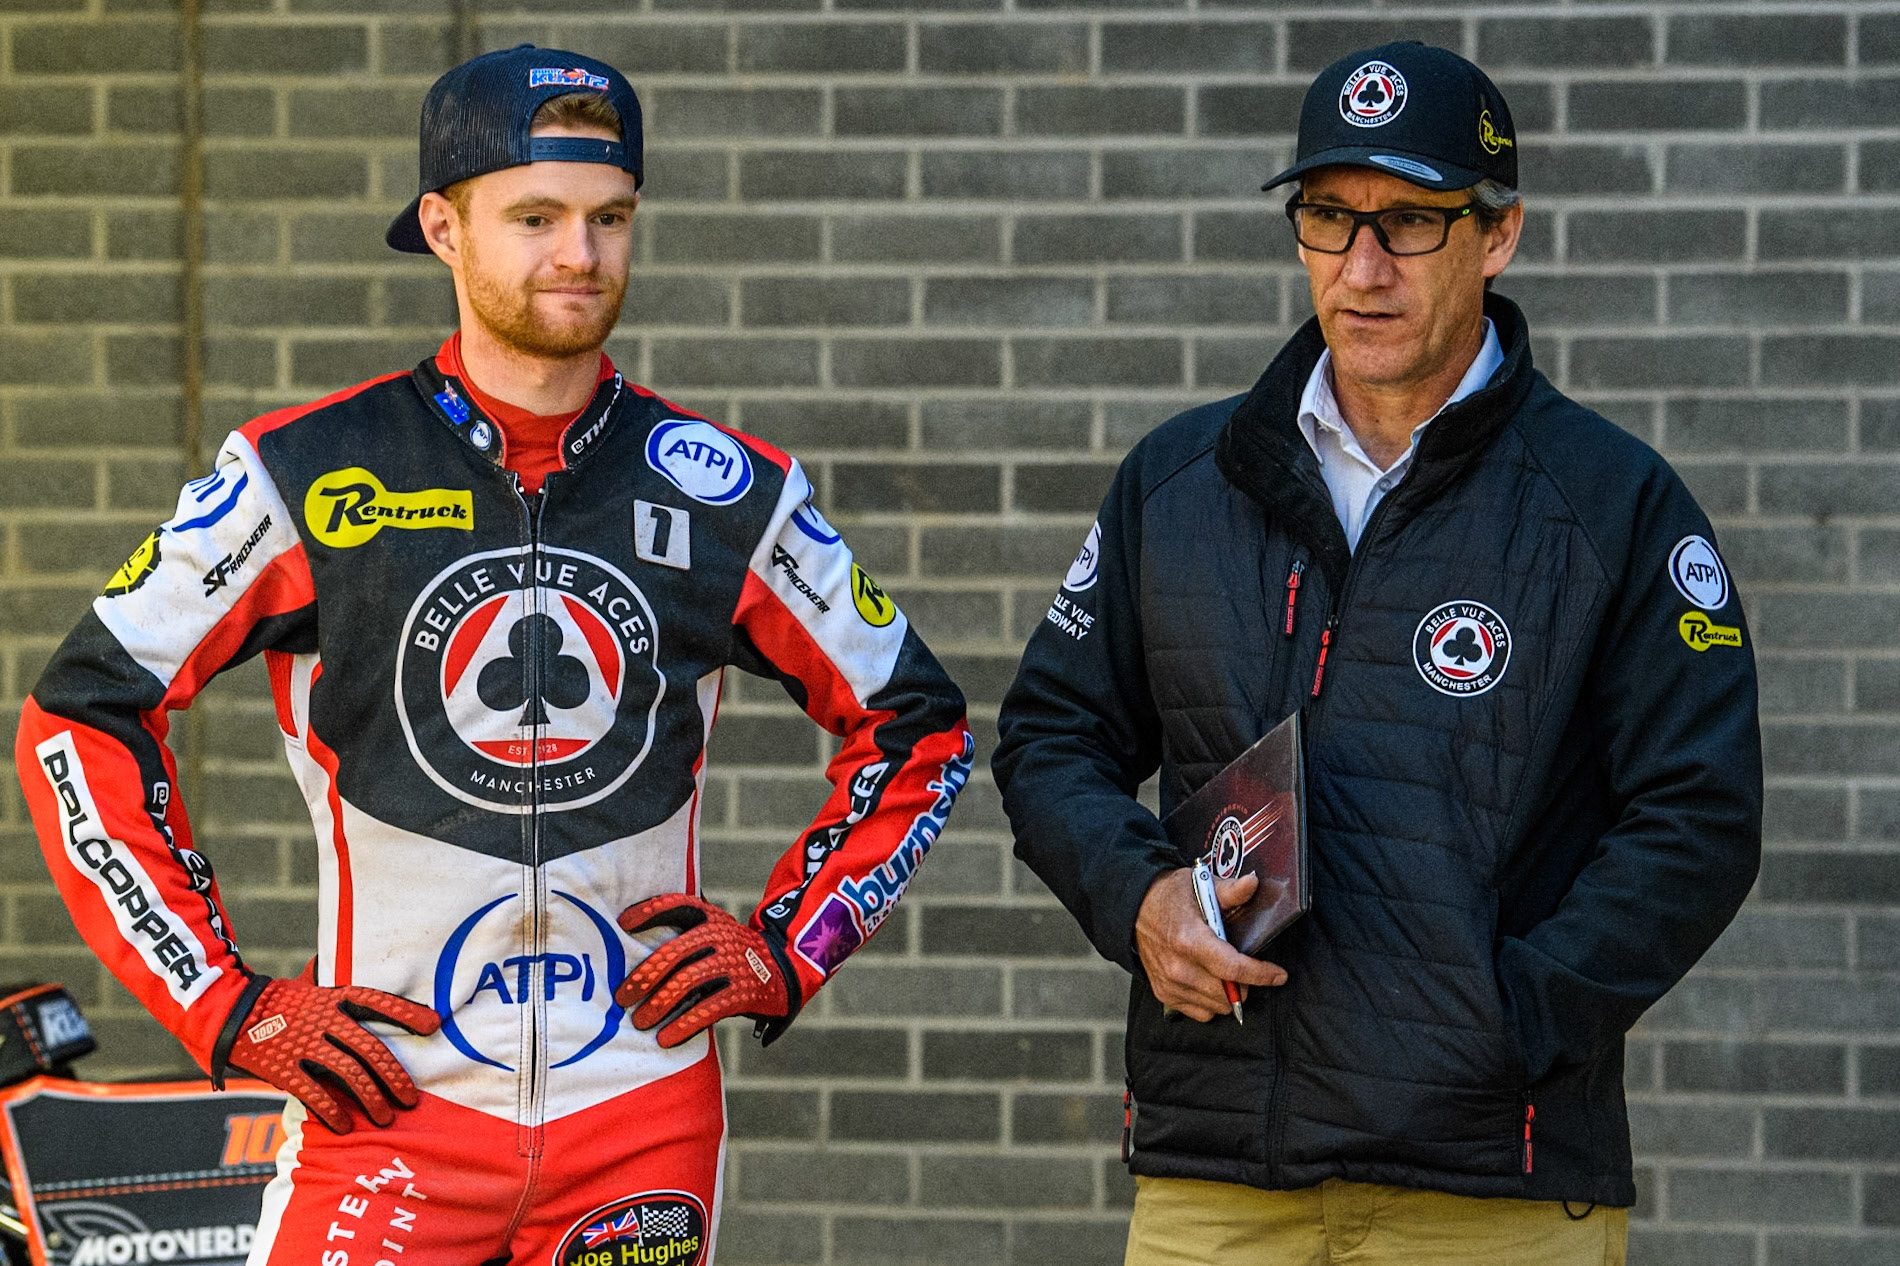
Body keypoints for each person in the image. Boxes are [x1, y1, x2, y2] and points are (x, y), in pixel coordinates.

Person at [15, 44, 971, 1266]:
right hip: (390, 1107)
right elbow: (79, 716)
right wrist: (223, 1003)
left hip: (638, 1116)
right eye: (535, 216)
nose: (579, 255)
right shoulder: (303, 471)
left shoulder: (732, 492)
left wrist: (794, 943)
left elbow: (924, 727)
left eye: (609, 217)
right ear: (443, 228)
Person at [992, 41, 1760, 1266]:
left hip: (1491, 1189)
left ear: (1495, 236)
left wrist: (1508, 1016)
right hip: (1219, 1172)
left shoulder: (1612, 505)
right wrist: (1136, 897)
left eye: (1408, 221)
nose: (1361, 267)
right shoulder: (1179, 483)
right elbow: (1051, 736)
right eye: (1328, 218)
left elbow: (1698, 816)